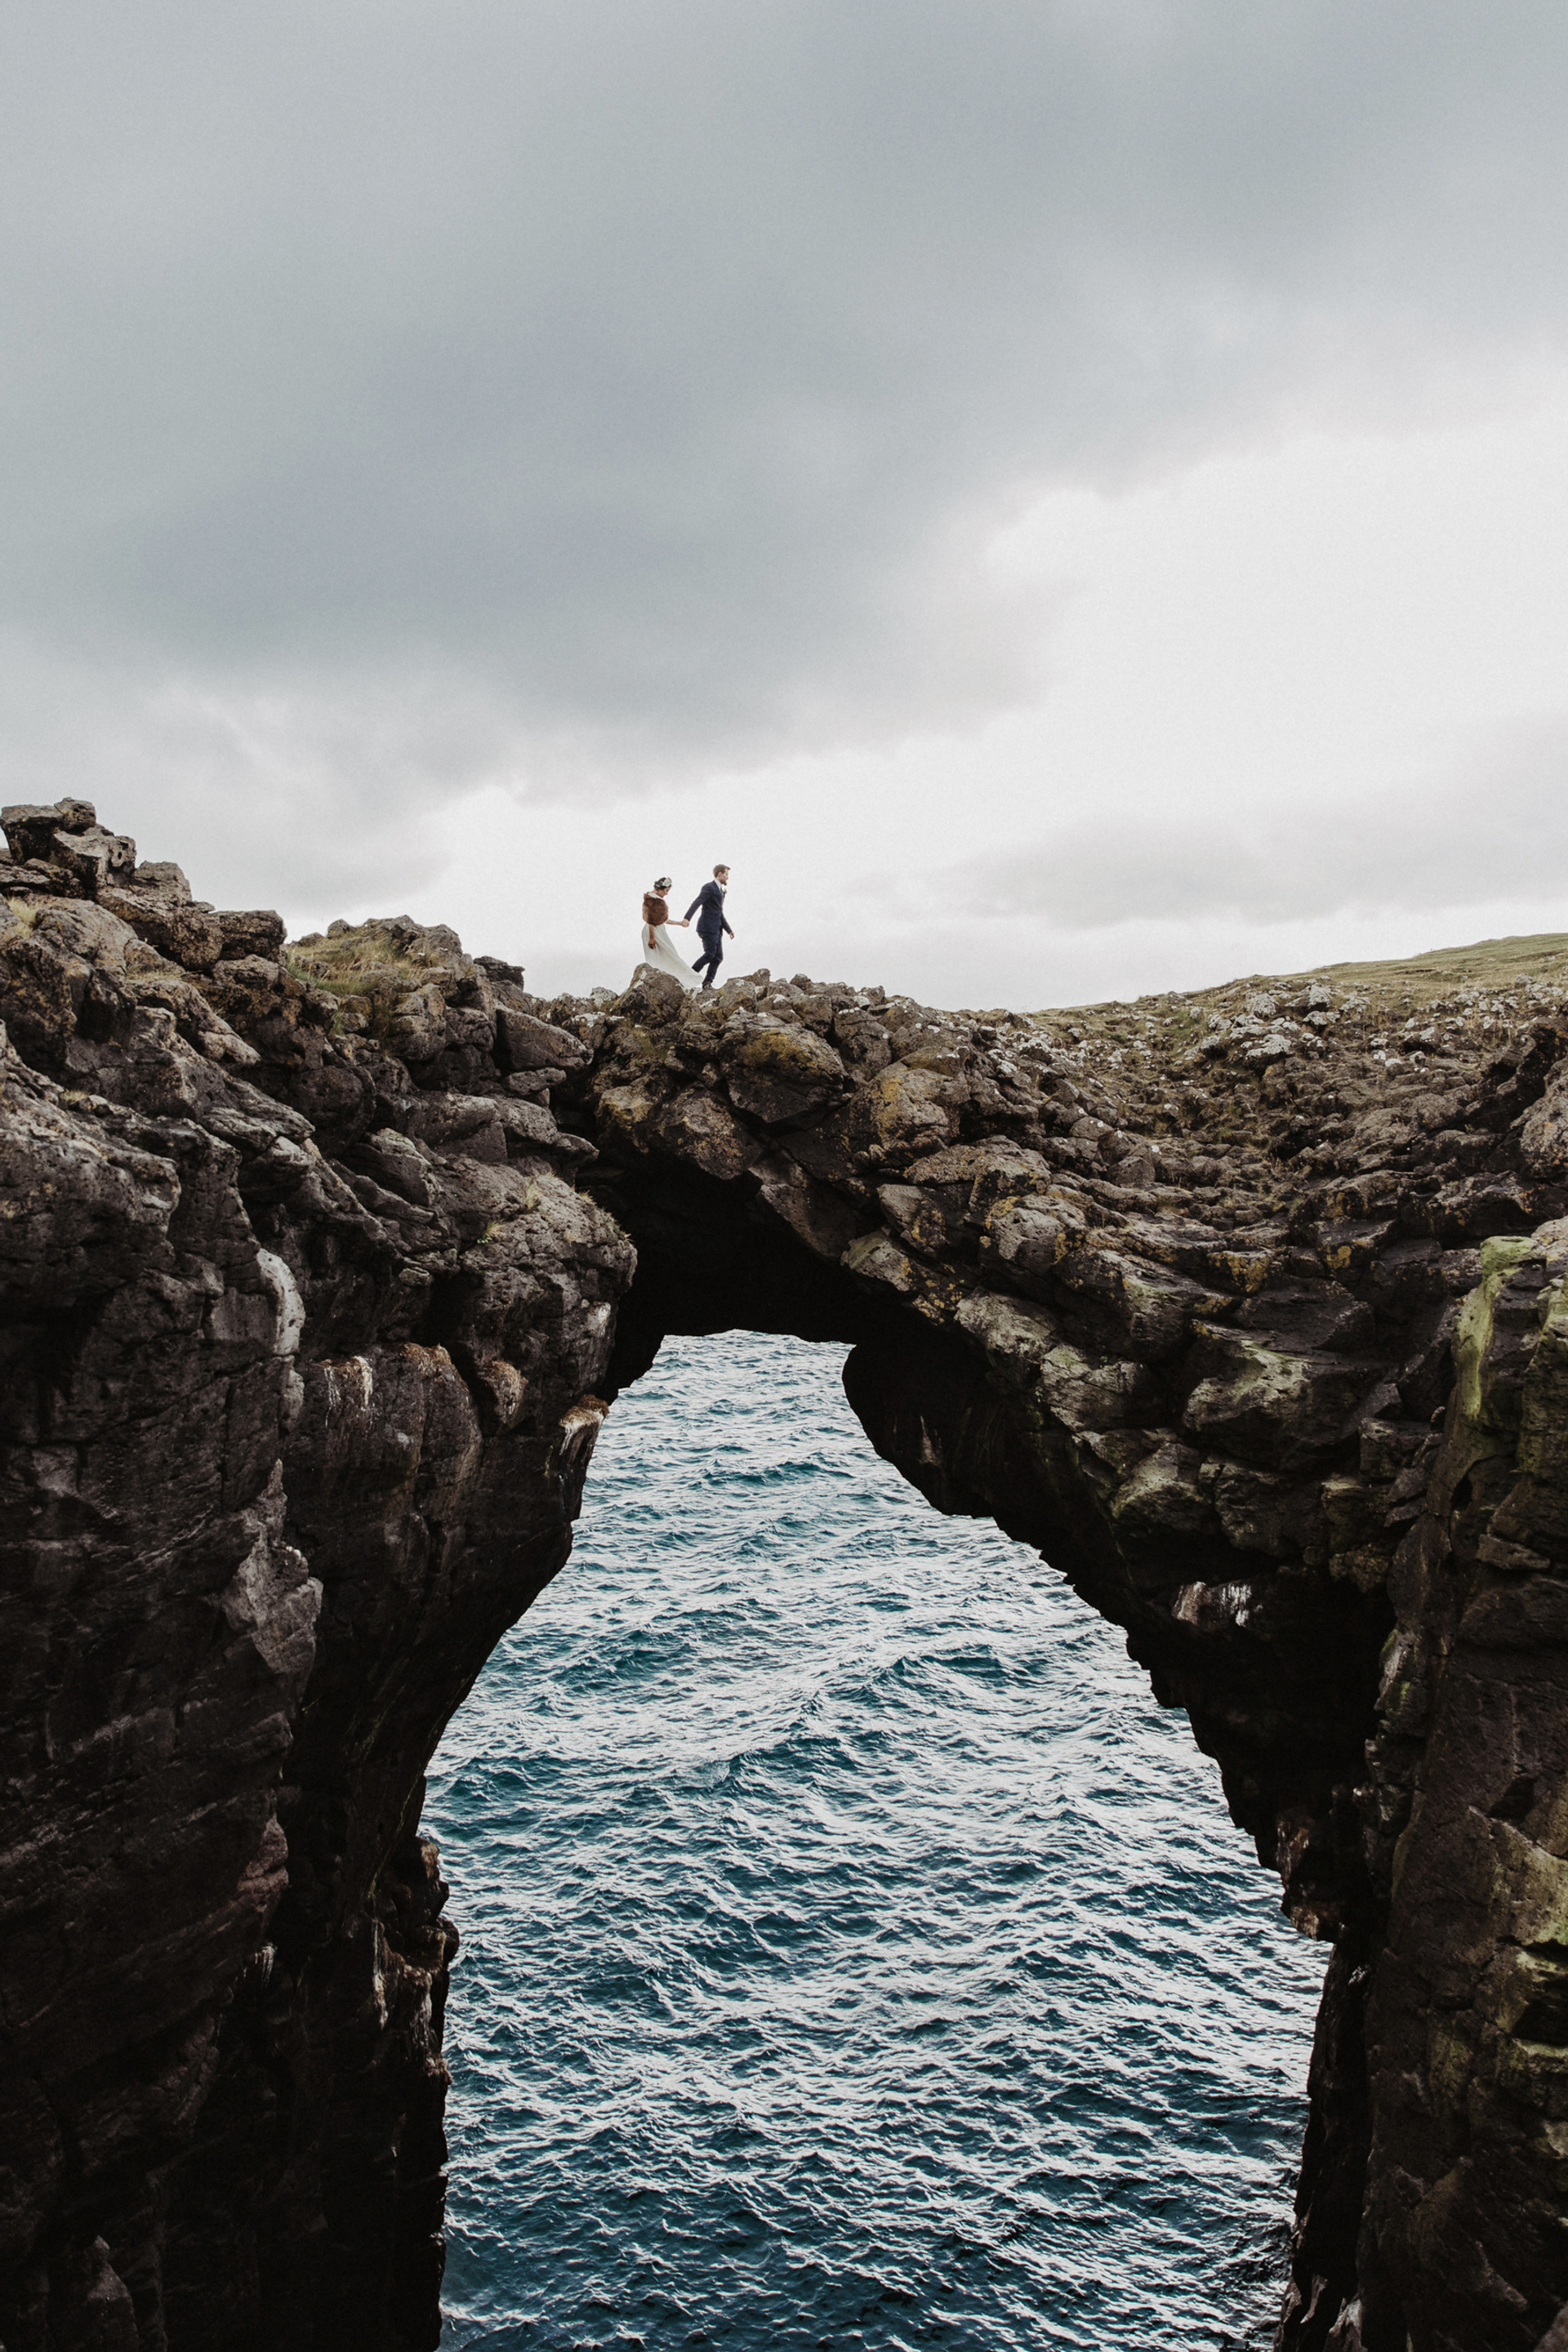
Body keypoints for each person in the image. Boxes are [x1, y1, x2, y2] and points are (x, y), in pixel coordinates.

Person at [639, 877, 701, 991]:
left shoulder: (654, 898)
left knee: (670, 954)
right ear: (660, 889)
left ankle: (678, 982)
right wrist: (652, 938)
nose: (666, 894)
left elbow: (661, 919)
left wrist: (679, 923)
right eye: (666, 890)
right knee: (661, 957)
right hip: (652, 931)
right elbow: (651, 921)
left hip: (657, 930)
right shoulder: (652, 900)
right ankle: (659, 984)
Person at [684, 864, 735, 989]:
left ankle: (707, 983)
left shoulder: (720, 891)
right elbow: (697, 902)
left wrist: (728, 929)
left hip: (717, 929)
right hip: (707, 927)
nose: (728, 877)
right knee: (710, 954)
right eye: (726, 874)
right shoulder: (709, 887)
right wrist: (687, 918)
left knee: (718, 957)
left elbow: (719, 912)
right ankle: (688, 976)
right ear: (720, 874)